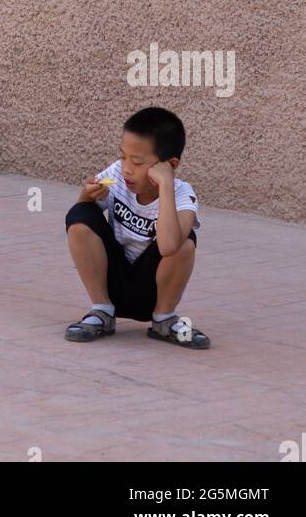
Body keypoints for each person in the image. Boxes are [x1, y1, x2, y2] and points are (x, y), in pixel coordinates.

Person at [63, 106, 210, 347]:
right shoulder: (118, 175)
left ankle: (164, 320)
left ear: (170, 165)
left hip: (150, 290)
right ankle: (101, 311)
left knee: (184, 242)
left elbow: (168, 245)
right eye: (123, 157)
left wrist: (165, 186)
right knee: (80, 215)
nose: (127, 168)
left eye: (138, 162)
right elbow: (80, 216)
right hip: (111, 281)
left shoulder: (183, 195)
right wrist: (88, 194)